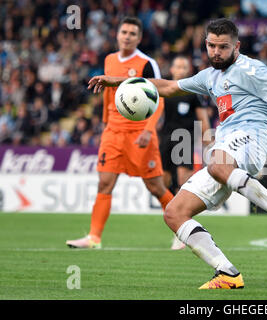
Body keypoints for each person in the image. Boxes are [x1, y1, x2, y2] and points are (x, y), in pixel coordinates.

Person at [88, 18, 267, 289]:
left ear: (236, 46)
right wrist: (118, 81)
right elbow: (166, 87)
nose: (216, 52)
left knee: (216, 162)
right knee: (174, 213)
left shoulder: (251, 69)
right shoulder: (209, 76)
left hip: (252, 138)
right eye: (211, 46)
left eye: (222, 47)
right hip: (227, 147)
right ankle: (227, 273)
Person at [66, 17, 174, 249]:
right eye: (123, 31)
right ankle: (94, 238)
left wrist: (148, 130)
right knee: (104, 183)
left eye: (132, 33)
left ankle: (184, 229)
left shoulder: (147, 63)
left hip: (139, 133)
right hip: (113, 131)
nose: (127, 36)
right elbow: (108, 94)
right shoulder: (109, 59)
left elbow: (159, 99)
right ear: (117, 34)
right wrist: (106, 125)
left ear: (139, 38)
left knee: (156, 187)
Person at [159, 56, 211, 250]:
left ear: (188, 70)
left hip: (184, 139)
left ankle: (183, 230)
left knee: (182, 182)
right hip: (165, 139)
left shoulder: (192, 92)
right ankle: (178, 224)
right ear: (172, 69)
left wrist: (207, 140)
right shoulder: (164, 90)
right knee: (164, 184)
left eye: (184, 66)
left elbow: (203, 118)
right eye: (177, 66)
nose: (180, 69)